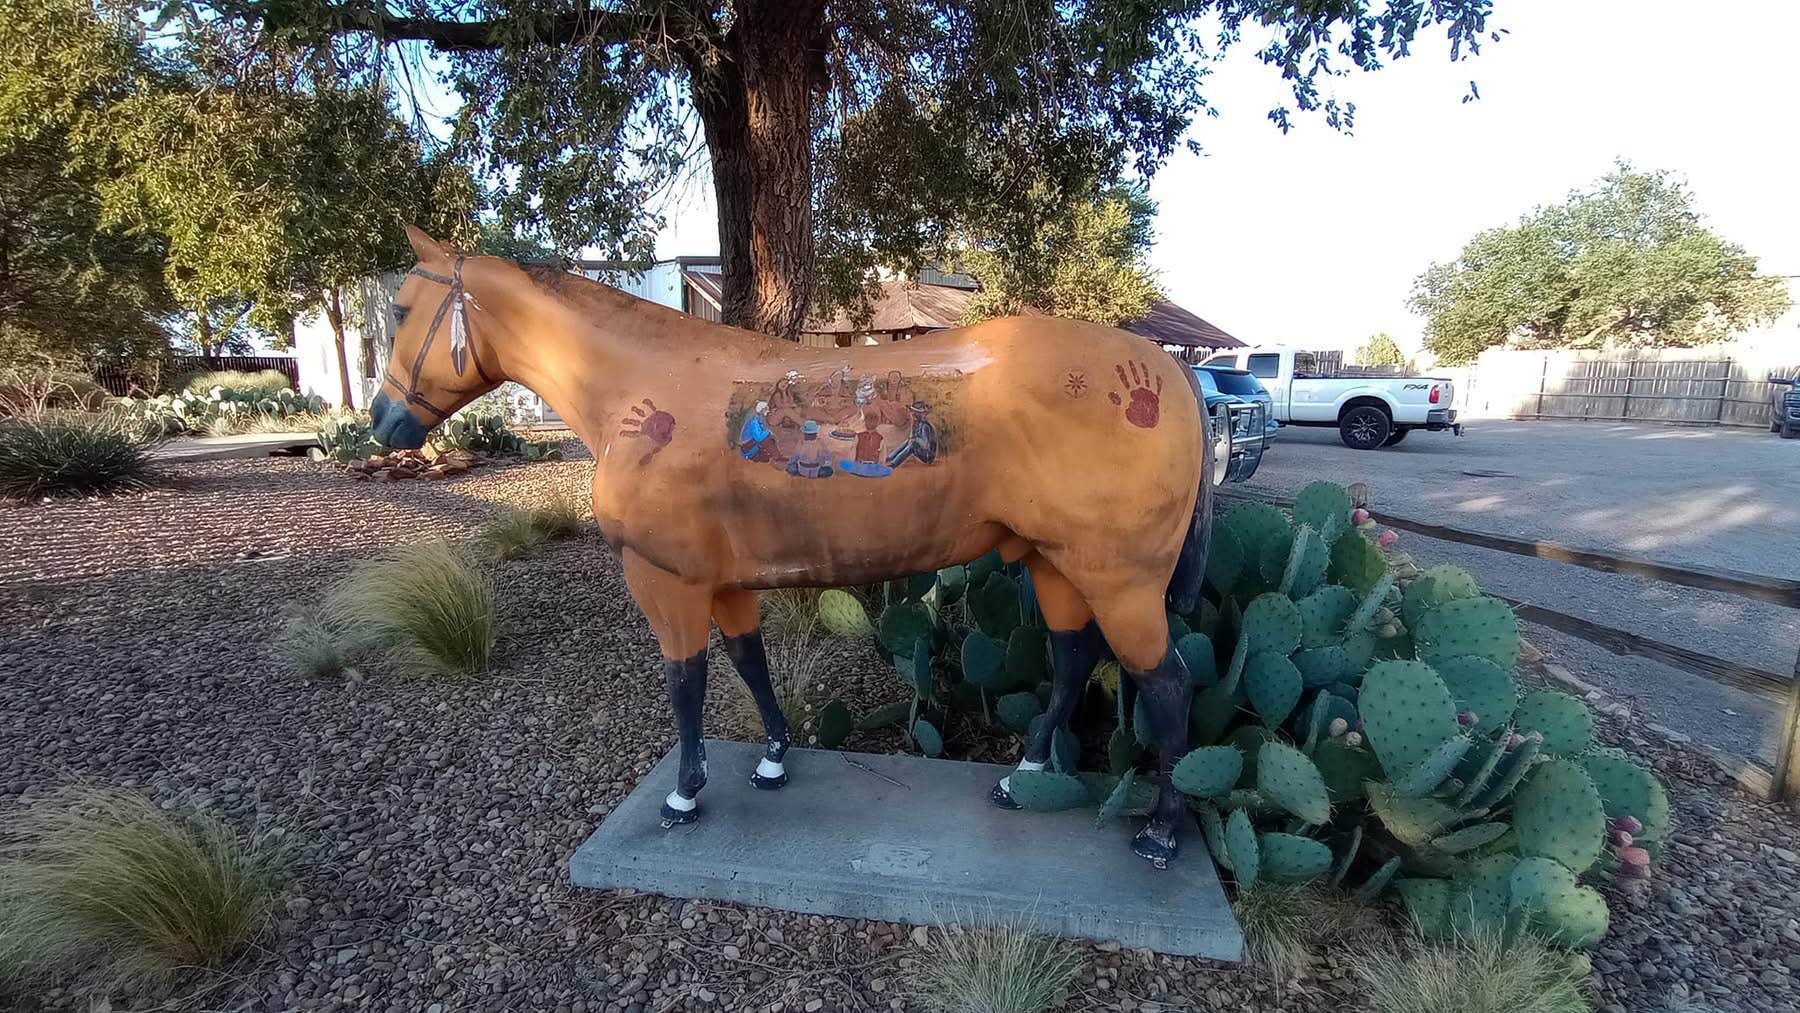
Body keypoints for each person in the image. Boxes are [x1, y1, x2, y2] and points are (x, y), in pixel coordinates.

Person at [885, 400, 939, 468]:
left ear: (921, 414)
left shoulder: (925, 426)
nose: (912, 414)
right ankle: (891, 457)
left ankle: (893, 464)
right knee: (909, 440)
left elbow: (925, 445)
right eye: (912, 412)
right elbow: (911, 439)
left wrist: (915, 439)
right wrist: (912, 438)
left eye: (916, 412)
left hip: (928, 456)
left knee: (912, 444)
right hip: (922, 451)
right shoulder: (916, 424)